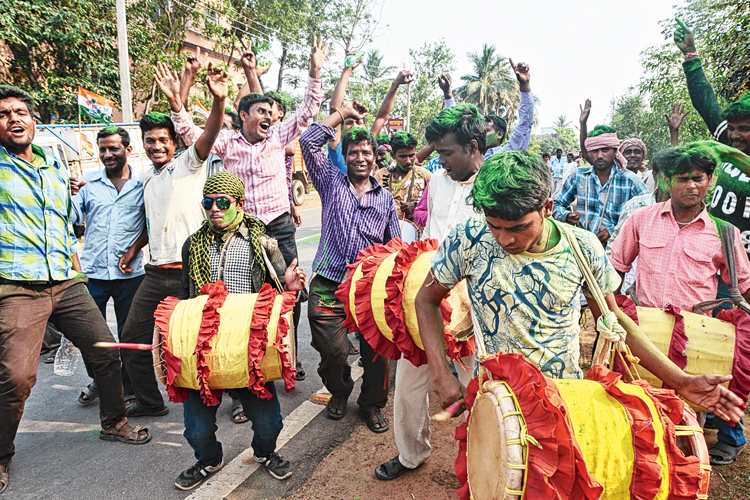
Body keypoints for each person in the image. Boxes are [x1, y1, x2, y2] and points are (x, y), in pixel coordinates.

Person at [416, 150, 745, 433]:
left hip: (563, 396)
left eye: (517, 228)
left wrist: (681, 380)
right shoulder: (469, 237)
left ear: (547, 207)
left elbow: (615, 321)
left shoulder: (583, 247)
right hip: (492, 396)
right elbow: (426, 300)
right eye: (495, 226)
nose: (504, 240)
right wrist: (442, 374)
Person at [0, 85, 152, 494]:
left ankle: (114, 422)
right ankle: (1, 455)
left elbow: (67, 225)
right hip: (17, 287)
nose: (14, 118)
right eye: (3, 113)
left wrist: (75, 267)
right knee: (16, 377)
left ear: (33, 121)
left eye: (20, 111)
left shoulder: (52, 167)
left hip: (67, 281)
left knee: (104, 350)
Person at [171, 38, 329, 384]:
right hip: (241, 231)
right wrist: (177, 102)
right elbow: (189, 134)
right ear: (243, 116)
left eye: (270, 113)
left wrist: (315, 71)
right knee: (245, 294)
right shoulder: (226, 142)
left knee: (290, 289)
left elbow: (307, 111)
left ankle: (289, 352)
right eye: (261, 112)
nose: (269, 117)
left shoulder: (277, 136)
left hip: (279, 226)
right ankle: (245, 362)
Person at [610, 143, 750, 465]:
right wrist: (610, 316)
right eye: (682, 178)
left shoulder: (724, 233)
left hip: (697, 341)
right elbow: (614, 272)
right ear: (666, 181)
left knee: (688, 421)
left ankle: (686, 473)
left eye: (698, 178)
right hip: (646, 336)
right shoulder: (640, 220)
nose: (691, 186)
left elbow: (744, 288)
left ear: (710, 180)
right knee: (642, 412)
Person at [174, 172, 306, 490]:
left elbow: (280, 290)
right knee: (196, 428)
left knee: (268, 422)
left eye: (223, 202)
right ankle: (209, 459)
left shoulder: (264, 240)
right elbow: (184, 296)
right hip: (203, 346)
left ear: (240, 204)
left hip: (248, 345)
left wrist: (290, 286)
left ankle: (264, 453)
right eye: (208, 203)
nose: (215, 209)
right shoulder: (192, 244)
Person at [375, 103, 483, 481]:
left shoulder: (494, 187)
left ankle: (479, 461)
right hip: (425, 300)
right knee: (408, 385)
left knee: (476, 389)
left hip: (474, 310)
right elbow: (428, 238)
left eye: (447, 153)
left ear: (472, 147)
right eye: (437, 154)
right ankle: (410, 454)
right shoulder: (437, 180)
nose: (440, 161)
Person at [115, 62, 228, 418]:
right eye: (150, 140)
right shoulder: (148, 181)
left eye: (164, 139)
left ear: (174, 142)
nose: (157, 145)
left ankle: (225, 398)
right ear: (143, 145)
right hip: (153, 274)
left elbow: (208, 136)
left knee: (201, 342)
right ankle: (150, 402)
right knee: (132, 340)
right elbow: (154, 222)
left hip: (190, 275)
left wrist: (218, 101)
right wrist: (135, 248)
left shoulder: (188, 164)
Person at [299, 101, 400, 434]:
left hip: (368, 288)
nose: (361, 157)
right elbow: (307, 141)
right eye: (354, 152)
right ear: (345, 156)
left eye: (366, 152)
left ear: (375, 158)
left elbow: (395, 247)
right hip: (328, 282)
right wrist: (341, 113)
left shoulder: (385, 199)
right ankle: (339, 390)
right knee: (334, 351)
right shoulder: (330, 182)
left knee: (376, 352)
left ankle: (371, 404)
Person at [71, 126, 146, 407]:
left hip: (131, 274)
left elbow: (150, 224)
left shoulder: (142, 185)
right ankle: (101, 380)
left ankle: (126, 388)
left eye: (113, 148)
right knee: (89, 336)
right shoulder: (88, 183)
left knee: (128, 335)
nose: (107, 154)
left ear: (127, 149)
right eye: (102, 149)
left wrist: (134, 248)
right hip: (93, 273)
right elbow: (73, 217)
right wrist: (68, 195)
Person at [554, 113, 649, 245]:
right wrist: (566, 215)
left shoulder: (631, 181)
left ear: (615, 151)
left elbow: (648, 216)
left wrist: (615, 231)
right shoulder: (579, 176)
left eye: (605, 150)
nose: (599, 155)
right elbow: (556, 204)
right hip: (582, 247)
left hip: (616, 250)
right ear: (588, 152)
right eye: (594, 151)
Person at [327, 61, 414, 174]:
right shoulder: (337, 145)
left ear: (365, 126)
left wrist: (395, 84)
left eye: (358, 122)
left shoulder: (367, 143)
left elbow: (381, 118)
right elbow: (335, 109)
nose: (354, 126)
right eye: (349, 122)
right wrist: (347, 70)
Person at [374, 131, 431, 226]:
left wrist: (416, 207)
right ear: (393, 155)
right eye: (403, 156)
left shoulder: (425, 175)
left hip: (417, 236)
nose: (408, 161)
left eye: (411, 155)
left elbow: (437, 207)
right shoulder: (380, 175)